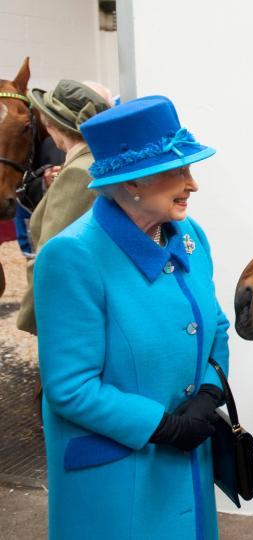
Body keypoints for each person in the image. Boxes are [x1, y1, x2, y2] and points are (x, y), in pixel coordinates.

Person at [33, 95, 228, 539]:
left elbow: (214, 325)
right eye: (179, 171)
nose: (192, 184)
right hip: (117, 474)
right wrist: (163, 425)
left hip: (186, 457)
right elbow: (70, 387)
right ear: (134, 183)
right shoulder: (72, 256)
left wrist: (208, 395)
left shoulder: (190, 235)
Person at [16, 79, 111, 334]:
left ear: (51, 124)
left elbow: (51, 254)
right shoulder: (89, 162)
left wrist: (29, 318)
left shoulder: (80, 171)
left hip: (70, 310)